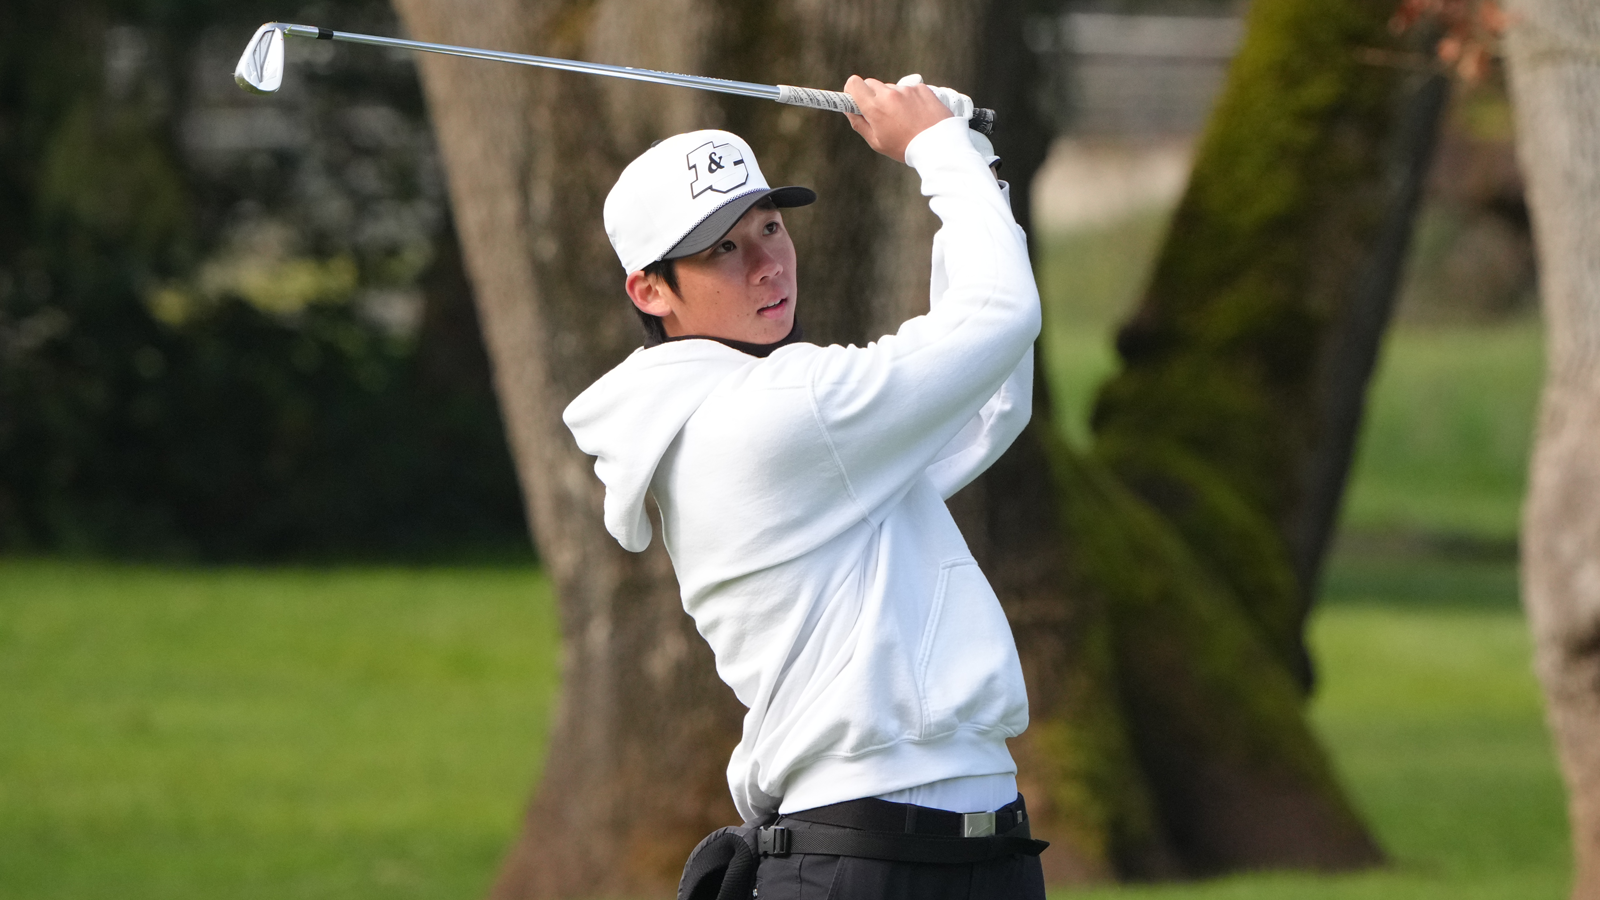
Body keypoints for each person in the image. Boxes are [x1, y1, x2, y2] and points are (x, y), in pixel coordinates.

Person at [564, 75, 1045, 899]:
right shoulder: (772, 413)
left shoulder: (811, 430)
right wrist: (935, 149)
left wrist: (978, 169)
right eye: (720, 248)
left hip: (974, 853)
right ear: (649, 290)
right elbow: (999, 319)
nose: (764, 264)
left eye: (770, 227)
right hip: (862, 860)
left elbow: (989, 403)